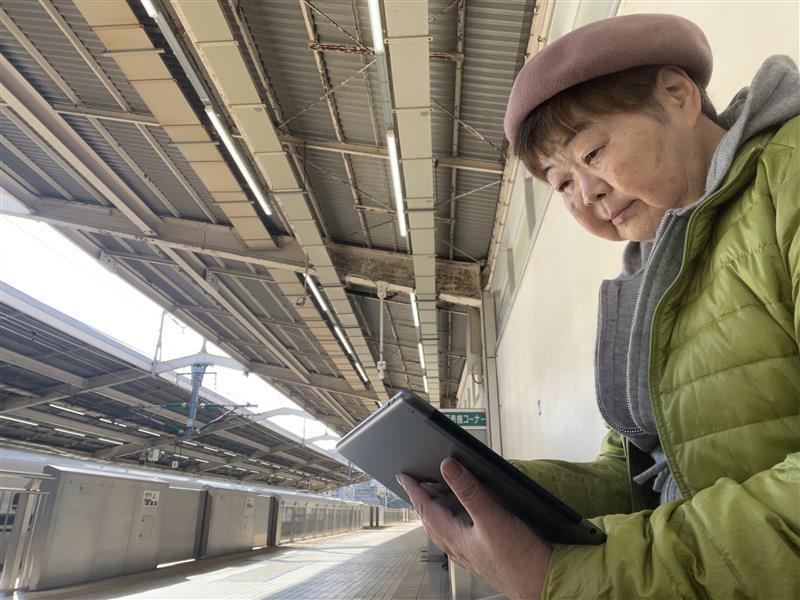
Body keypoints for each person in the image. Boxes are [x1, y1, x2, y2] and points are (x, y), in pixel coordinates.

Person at [397, 13, 800, 599]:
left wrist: (568, 577)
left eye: (592, 152)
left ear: (677, 95)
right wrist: (490, 488)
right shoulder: (643, 279)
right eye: (561, 183)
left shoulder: (787, 177)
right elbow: (634, 476)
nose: (586, 194)